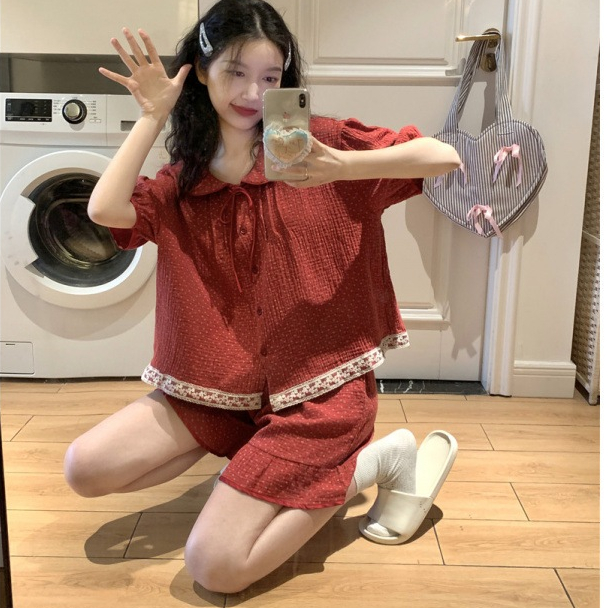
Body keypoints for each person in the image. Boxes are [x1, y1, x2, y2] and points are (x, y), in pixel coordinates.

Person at [63, 0, 461, 594]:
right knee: (84, 469)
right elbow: (105, 210)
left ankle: (369, 463)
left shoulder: (320, 146)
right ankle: (268, 466)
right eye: (235, 72)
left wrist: (342, 168)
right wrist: (151, 114)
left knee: (215, 566)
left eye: (270, 77)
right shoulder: (185, 181)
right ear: (201, 72)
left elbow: (443, 157)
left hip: (320, 394)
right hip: (222, 388)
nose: (253, 93)